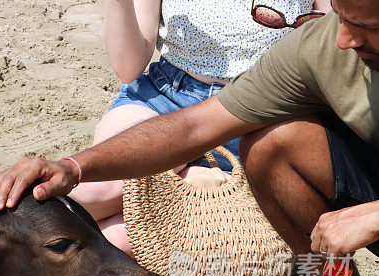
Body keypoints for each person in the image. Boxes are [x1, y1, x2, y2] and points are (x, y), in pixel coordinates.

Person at [0, 0, 379, 276]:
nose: (343, 38)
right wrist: (74, 167)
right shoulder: (321, 45)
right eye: (341, 16)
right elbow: (196, 126)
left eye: (366, 25)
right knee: (272, 144)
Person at [71, 0, 330, 254]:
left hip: (262, 115)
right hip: (167, 96)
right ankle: (195, 180)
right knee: (98, 190)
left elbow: (338, 45)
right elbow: (128, 68)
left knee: (119, 241)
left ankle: (192, 181)